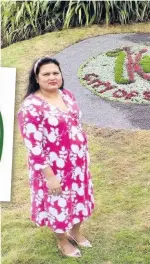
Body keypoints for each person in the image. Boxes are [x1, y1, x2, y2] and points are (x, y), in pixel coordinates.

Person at [17, 57, 94, 257]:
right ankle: (62, 240)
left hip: (77, 164)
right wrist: (49, 176)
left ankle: (75, 232)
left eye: (55, 73)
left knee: (79, 198)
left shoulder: (66, 95)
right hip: (52, 168)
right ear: (36, 78)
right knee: (58, 203)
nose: (52, 77)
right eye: (46, 74)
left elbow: (76, 124)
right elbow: (33, 146)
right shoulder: (31, 107)